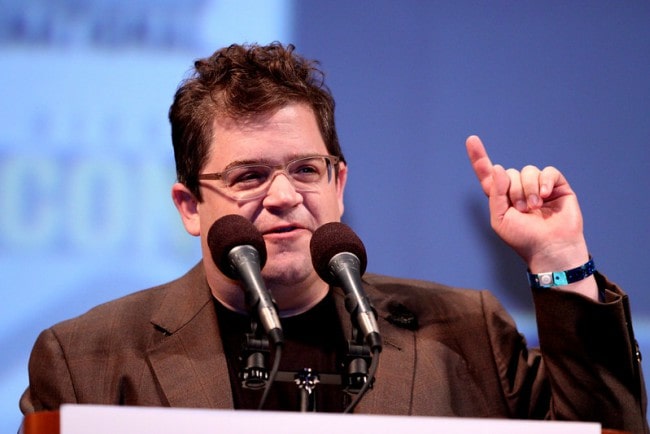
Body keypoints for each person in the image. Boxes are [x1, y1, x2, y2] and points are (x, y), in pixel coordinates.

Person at [20, 42, 648, 433]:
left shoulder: (467, 333)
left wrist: (560, 258)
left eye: (305, 169)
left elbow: (609, 429)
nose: (285, 195)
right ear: (189, 205)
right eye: (249, 176)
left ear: (339, 182)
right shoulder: (89, 359)